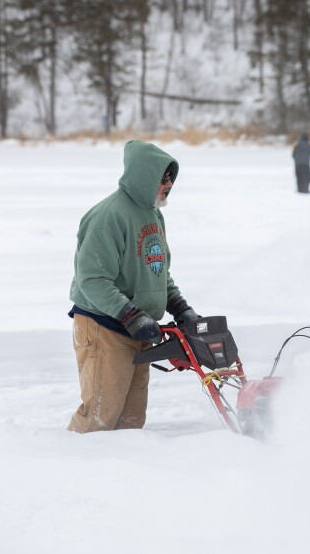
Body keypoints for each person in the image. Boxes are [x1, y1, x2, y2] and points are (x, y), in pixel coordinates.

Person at [67, 140, 198, 433]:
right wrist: (130, 315)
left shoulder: (153, 214)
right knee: (99, 419)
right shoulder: (108, 216)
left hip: (138, 328)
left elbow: (158, 271)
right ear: (143, 176)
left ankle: (121, 477)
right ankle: (73, 472)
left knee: (131, 420)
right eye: (163, 178)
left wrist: (180, 307)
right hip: (105, 327)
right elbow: (92, 279)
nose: (169, 184)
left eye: (171, 178)